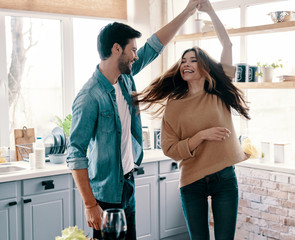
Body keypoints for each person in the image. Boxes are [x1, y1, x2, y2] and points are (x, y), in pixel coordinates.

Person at [66, 1, 206, 239]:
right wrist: (90, 205)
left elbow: (155, 45)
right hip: (106, 195)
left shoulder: (124, 77)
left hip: (127, 184)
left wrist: (187, 11)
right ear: (117, 49)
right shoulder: (89, 97)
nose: (136, 56)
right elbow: (75, 152)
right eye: (132, 50)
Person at [134, 1, 251, 239]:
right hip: (192, 182)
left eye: (193, 60)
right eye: (183, 61)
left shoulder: (220, 89)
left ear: (204, 65)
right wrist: (200, 136)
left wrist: (210, 11)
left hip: (225, 179)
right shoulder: (174, 106)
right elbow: (169, 149)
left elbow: (227, 43)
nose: (186, 64)